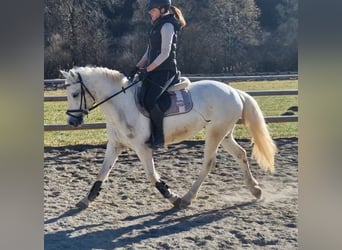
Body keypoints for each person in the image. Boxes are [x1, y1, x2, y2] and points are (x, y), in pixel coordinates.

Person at [130, 0, 186, 149]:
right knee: (140, 96)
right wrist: (137, 67)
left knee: (150, 100)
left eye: (152, 10)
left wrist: (147, 70)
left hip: (166, 71)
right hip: (154, 70)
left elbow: (165, 53)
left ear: (162, 9)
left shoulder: (168, 26)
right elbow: (149, 52)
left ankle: (160, 136)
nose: (150, 12)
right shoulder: (156, 26)